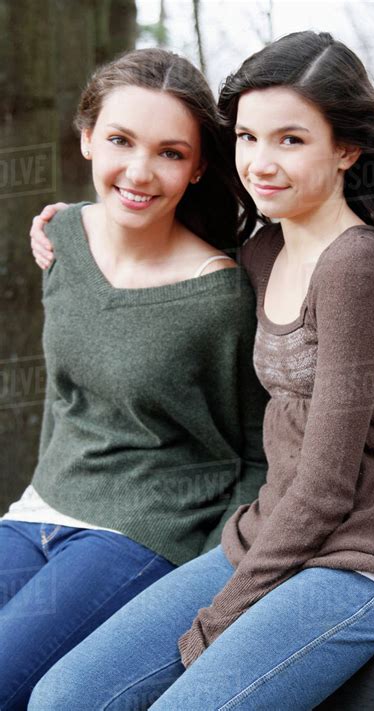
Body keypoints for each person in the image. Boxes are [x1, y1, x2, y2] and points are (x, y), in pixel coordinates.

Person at [29, 31, 374, 711]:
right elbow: (158, 240)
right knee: (65, 695)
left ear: (346, 149)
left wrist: (221, 613)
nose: (261, 161)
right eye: (249, 137)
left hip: (371, 556)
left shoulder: (356, 269)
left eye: (290, 140)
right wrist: (68, 228)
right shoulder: (262, 248)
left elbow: (325, 486)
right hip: (271, 530)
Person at [0, 47, 268, 710]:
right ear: (86, 136)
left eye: (171, 152)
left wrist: (215, 577)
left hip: (145, 531)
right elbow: (72, 396)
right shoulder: (61, 236)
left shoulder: (220, 298)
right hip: (40, 507)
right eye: (120, 140)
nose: (140, 172)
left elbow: (258, 449)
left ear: (200, 164)